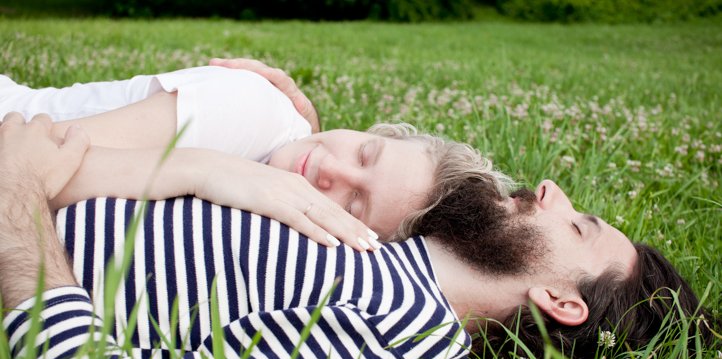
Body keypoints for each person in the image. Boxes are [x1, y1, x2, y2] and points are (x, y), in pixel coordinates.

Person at [1, 115, 713, 359]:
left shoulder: (403, 348)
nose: (553, 188)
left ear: (560, 301)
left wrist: (19, 208)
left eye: (577, 225)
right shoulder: (393, 253)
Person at [0, 63, 512, 250]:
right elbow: (22, 162)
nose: (330, 169)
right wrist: (202, 168)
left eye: (354, 205)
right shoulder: (255, 110)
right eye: (365, 150)